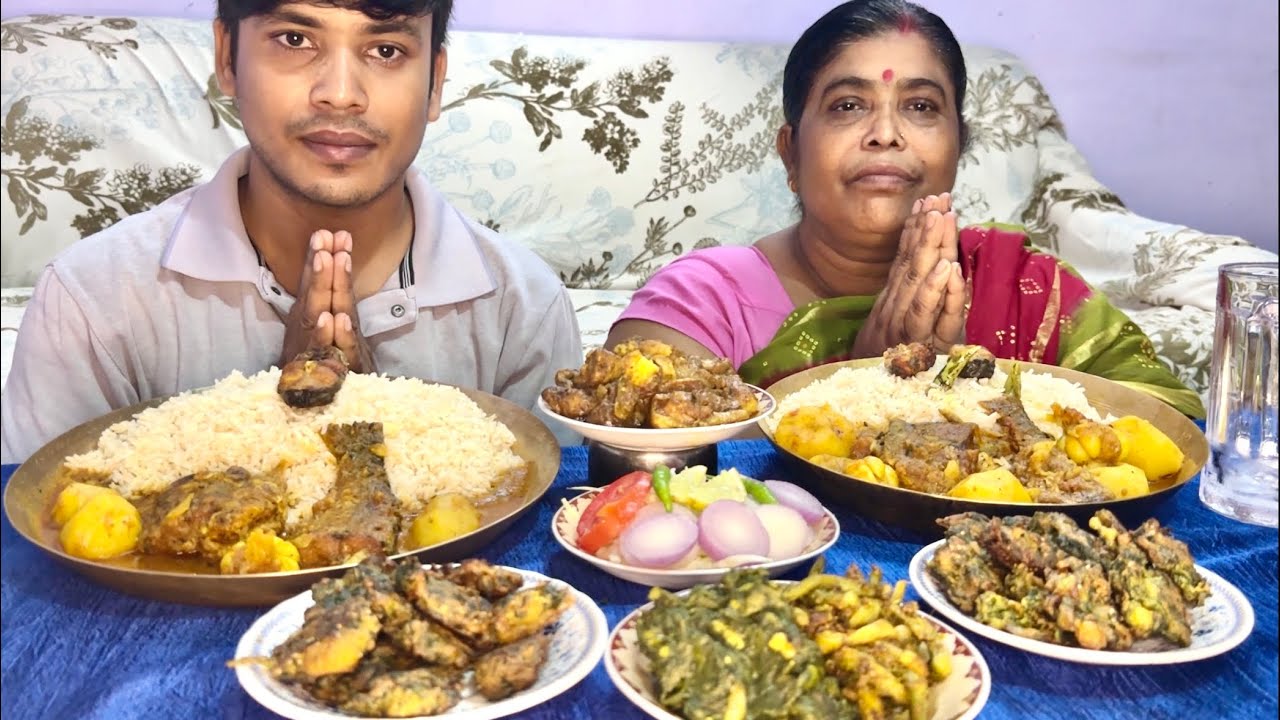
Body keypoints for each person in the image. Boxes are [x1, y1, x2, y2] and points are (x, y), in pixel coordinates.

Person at [0, 0, 583, 463]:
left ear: (434, 81)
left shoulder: (523, 307)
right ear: (227, 57)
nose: (340, 93)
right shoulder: (91, 300)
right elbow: (38, 560)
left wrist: (366, 410)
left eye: (385, 48)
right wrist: (280, 409)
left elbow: (537, 547)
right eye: (295, 39)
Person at [607, 0, 1203, 418]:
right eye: (846, 106)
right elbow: (627, 462)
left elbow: (1172, 422)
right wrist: (857, 381)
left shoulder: (1026, 287)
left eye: (920, 106)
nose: (886, 133)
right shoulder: (704, 303)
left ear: (959, 146)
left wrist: (969, 383)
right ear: (791, 153)